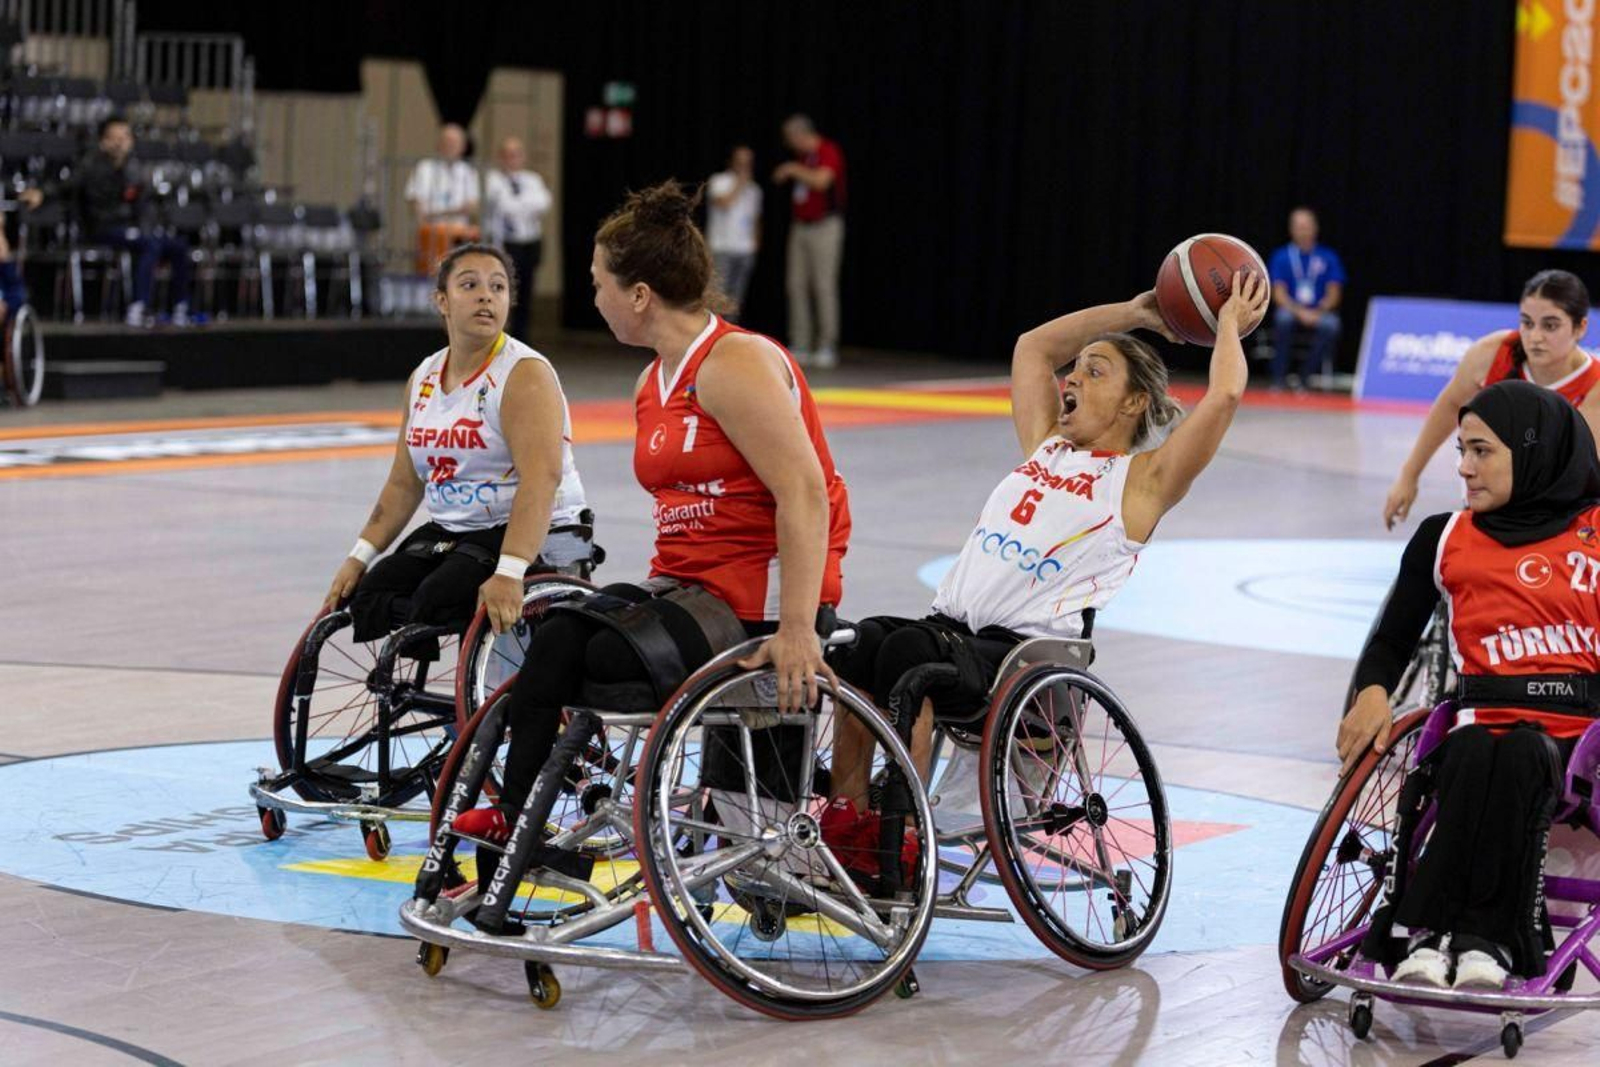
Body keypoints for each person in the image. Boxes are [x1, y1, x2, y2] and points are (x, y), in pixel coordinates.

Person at [450, 182, 852, 921]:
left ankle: (522, 825)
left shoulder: (732, 364)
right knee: (554, 638)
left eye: (599, 283)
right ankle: (515, 828)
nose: (592, 295)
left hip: (758, 603)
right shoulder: (651, 381)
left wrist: (799, 627)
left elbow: (804, 493)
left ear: (638, 295)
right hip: (689, 590)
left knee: (591, 651)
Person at [826, 273, 1271, 875]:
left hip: (1021, 658)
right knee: (861, 643)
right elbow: (1032, 347)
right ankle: (846, 824)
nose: (1073, 378)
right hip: (950, 633)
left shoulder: (1140, 482)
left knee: (906, 653)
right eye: (1077, 368)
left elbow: (1223, 398)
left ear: (1134, 402)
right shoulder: (1046, 447)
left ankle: (899, 841)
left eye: (1096, 372)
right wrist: (1134, 313)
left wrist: (1225, 325)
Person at [1339, 380, 1600, 990]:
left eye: (1482, 451)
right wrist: (1372, 692)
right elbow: (1390, 641)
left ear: (1531, 451)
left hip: (1581, 740)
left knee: (1524, 751)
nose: (1463, 467)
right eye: (1462, 450)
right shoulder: (1443, 535)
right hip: (1477, 724)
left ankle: (1462, 935)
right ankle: (1451, 939)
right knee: (1480, 748)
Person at [322, 243, 591, 646]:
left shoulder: (524, 374)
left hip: (536, 530)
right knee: (373, 590)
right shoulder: (424, 376)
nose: (487, 295)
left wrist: (510, 571)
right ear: (442, 301)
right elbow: (403, 482)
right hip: (460, 531)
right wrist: (359, 556)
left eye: (498, 287)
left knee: (436, 597)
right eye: (470, 284)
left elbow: (542, 479)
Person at [1383, 270, 1600, 529]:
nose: (1535, 336)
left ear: (1580, 328)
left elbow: (1581, 479)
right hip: (1484, 497)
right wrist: (1409, 476)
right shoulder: (1492, 353)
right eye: (1527, 323)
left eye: (1550, 325)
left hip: (1552, 512)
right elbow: (1450, 406)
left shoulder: (1594, 387)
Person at [66, 116, 193, 327]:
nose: (120, 143)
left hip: (131, 229)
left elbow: (141, 202)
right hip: (103, 229)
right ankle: (138, 307)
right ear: (103, 141)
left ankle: (181, 307)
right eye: (114, 138)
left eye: (124, 137)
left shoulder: (133, 169)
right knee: (149, 244)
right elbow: (74, 190)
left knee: (178, 246)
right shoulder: (91, 166)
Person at [773, 115, 845, 368]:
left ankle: (827, 343)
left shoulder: (827, 151)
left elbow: (822, 181)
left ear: (802, 134)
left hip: (825, 227)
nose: (791, 145)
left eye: (792, 140)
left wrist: (793, 170)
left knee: (823, 285)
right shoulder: (803, 158)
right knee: (796, 284)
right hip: (801, 227)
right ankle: (801, 342)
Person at [1267, 207, 1345, 390]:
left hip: (1319, 311)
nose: (1302, 231)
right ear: (1291, 229)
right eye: (1298, 227)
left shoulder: (1328, 257)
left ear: (1315, 228)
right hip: (1292, 309)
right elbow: (1278, 293)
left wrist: (1317, 312)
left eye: (1306, 226)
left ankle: (1304, 377)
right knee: (1283, 319)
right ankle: (1279, 378)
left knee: (1331, 325)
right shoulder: (1282, 256)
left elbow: (1334, 293)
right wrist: (1300, 312)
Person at [483, 135, 552, 340]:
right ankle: (497, 337)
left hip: (530, 241)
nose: (512, 159)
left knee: (526, 292)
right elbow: (506, 207)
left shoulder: (533, 179)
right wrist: (525, 206)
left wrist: (519, 205)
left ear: (522, 157)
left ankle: (522, 337)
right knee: (501, 290)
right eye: (507, 154)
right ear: (500, 157)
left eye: (516, 154)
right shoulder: (492, 180)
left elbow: (544, 203)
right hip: (506, 242)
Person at [405, 123, 480, 275]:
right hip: (432, 237)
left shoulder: (468, 172)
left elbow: (472, 207)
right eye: (446, 142)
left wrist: (436, 212)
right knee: (431, 280)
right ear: (438, 144)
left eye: (454, 143)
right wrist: (454, 211)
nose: (450, 147)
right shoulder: (424, 169)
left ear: (463, 147)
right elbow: (419, 207)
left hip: (459, 237)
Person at [706, 145, 762, 317]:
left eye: (748, 163)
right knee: (717, 297)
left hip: (745, 250)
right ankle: (712, 338)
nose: (744, 166)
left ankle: (730, 338)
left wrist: (755, 245)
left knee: (736, 299)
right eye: (740, 162)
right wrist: (740, 183)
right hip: (722, 248)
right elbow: (724, 203)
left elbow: (756, 219)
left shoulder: (755, 189)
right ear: (732, 162)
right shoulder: (719, 181)